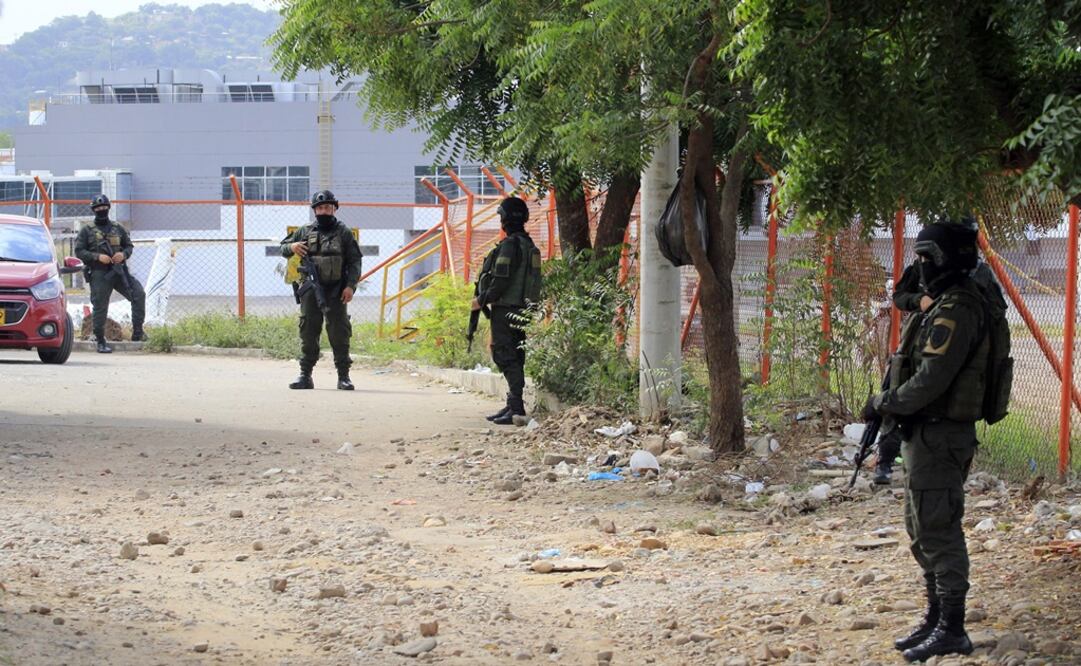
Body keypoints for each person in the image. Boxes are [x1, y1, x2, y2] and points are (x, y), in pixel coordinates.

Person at [865, 218, 991, 662]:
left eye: (928, 258)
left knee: (939, 530)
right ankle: (936, 618)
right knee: (920, 528)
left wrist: (886, 403)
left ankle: (953, 628)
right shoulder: (942, 303)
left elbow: (932, 378)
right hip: (925, 433)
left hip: (942, 434)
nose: (921, 266)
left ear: (950, 259)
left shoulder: (959, 308)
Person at [280, 190, 363, 390]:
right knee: (308, 331)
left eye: (328, 207)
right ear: (315, 210)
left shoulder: (343, 232)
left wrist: (351, 286)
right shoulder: (305, 231)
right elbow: (283, 247)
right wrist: (292, 247)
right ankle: (305, 375)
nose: (324, 210)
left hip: (336, 290)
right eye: (320, 207)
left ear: (334, 209)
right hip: (310, 290)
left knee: (339, 332)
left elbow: (355, 261)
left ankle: (344, 377)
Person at [473, 196, 540, 425]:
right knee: (515, 354)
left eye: (501, 216)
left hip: (506, 306)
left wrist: (482, 300)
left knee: (504, 353)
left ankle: (516, 406)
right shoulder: (528, 244)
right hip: (522, 307)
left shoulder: (511, 245)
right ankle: (513, 403)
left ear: (507, 219)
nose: (500, 220)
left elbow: (501, 279)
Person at [74, 194, 147, 353]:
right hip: (100, 273)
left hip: (119, 271)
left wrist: (123, 255)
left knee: (138, 294)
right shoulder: (87, 230)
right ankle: (100, 339)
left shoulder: (117, 228)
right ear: (94, 210)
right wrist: (97, 257)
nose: (102, 210)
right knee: (100, 305)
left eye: (104, 207)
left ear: (109, 208)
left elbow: (128, 246)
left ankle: (138, 333)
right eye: (98, 208)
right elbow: (79, 251)